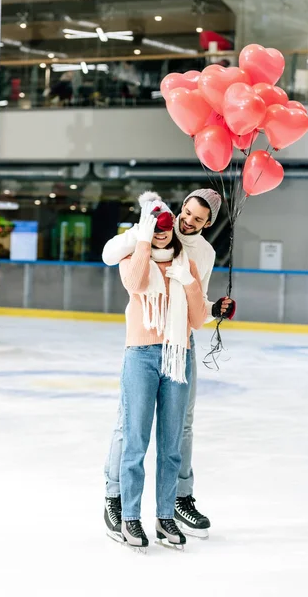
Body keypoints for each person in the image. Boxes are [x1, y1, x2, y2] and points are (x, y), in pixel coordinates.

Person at [103, 189, 236, 541]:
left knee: (179, 429)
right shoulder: (160, 227)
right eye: (186, 212)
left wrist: (215, 308)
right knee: (130, 426)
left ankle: (176, 501)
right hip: (144, 345)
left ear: (208, 224)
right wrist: (143, 233)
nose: (187, 221)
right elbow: (127, 270)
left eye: (197, 218)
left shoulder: (201, 255)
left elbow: (198, 307)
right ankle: (116, 498)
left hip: (180, 346)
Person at [116, 201, 207, 550]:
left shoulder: (188, 265)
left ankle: (165, 516)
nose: (162, 230)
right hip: (140, 356)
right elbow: (136, 283)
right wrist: (142, 238)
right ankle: (130, 519)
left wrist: (189, 283)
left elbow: (197, 320)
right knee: (135, 442)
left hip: (177, 356)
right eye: (155, 226)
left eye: (165, 225)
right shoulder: (133, 259)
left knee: (171, 447)